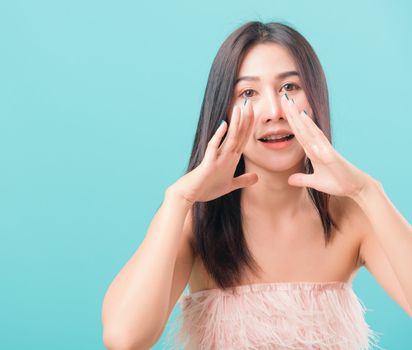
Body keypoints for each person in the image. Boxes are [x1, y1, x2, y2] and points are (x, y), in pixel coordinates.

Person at [101, 21, 412, 350]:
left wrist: (368, 191)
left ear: (317, 95)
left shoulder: (353, 215)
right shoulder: (197, 219)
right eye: (248, 92)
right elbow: (124, 339)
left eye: (290, 87)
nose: (274, 111)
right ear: (223, 109)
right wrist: (177, 199)